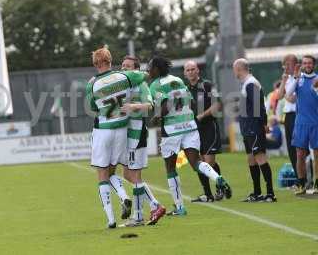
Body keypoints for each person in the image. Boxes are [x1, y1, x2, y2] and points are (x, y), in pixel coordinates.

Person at [148, 56, 232, 216]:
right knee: (196, 162)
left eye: (150, 67)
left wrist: (157, 116)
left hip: (172, 130)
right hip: (190, 126)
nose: (148, 71)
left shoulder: (156, 85)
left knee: (170, 168)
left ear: (157, 69)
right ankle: (218, 179)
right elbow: (192, 103)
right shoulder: (178, 80)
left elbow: (167, 104)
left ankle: (180, 208)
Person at [85, 47, 147, 229]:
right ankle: (125, 197)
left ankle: (111, 219)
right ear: (110, 60)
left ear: (96, 63)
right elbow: (143, 76)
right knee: (114, 169)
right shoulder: (125, 77)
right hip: (121, 130)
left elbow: (93, 108)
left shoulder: (92, 84)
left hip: (103, 130)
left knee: (102, 174)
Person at [109, 55, 165, 227]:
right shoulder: (119, 85)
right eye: (122, 66)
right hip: (124, 135)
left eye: (128, 66)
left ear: (136, 69)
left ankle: (147, 211)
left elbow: (150, 106)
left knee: (134, 174)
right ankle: (147, 211)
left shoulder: (141, 84)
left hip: (136, 133)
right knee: (128, 174)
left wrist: (133, 106)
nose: (124, 68)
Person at [232, 58, 276, 202]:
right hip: (247, 128)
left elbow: (259, 106)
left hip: (254, 127)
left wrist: (263, 124)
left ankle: (270, 193)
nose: (234, 72)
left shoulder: (251, 83)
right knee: (251, 159)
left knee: (259, 156)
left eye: (234, 69)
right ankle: (257, 193)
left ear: (239, 69)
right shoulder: (246, 83)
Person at [183, 60, 224, 202]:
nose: (191, 72)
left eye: (193, 69)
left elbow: (218, 105)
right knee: (198, 162)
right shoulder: (185, 90)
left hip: (209, 127)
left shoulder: (207, 85)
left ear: (198, 70)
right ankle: (208, 194)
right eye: (188, 70)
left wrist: (202, 115)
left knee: (209, 161)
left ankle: (219, 186)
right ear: (184, 73)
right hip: (194, 131)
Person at [285, 55, 318, 195]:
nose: (307, 65)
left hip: (316, 122)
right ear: (302, 65)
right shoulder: (298, 79)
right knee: (299, 154)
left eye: (310, 63)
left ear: (314, 65)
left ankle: (316, 183)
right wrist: (296, 77)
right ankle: (301, 183)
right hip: (300, 123)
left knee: (317, 154)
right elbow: (288, 94)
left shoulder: (317, 79)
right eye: (305, 63)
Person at [278, 54, 299, 179]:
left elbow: (291, 99)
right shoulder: (287, 79)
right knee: (291, 148)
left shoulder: (299, 78)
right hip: (288, 116)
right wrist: (284, 81)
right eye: (285, 65)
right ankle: (298, 178)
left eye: (289, 64)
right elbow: (279, 95)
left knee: (299, 148)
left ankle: (304, 177)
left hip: (297, 115)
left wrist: (285, 93)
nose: (286, 67)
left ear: (295, 64)